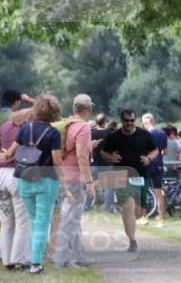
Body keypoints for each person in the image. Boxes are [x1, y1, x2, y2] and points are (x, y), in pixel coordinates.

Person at [10, 96, 64, 274]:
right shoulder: (53, 133)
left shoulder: (25, 128)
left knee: (34, 221)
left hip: (24, 179)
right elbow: (57, 160)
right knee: (41, 223)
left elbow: (11, 152)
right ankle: (36, 264)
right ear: (54, 112)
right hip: (46, 180)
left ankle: (33, 260)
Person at [100, 109, 157, 252]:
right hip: (121, 176)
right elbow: (103, 152)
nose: (130, 123)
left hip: (140, 176)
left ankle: (131, 227)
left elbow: (156, 150)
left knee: (138, 213)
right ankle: (132, 241)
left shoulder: (144, 135)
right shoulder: (114, 137)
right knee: (128, 206)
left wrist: (148, 158)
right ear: (122, 121)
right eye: (127, 120)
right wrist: (110, 158)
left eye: (132, 120)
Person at [52, 94, 95, 268]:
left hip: (60, 176)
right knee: (71, 220)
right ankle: (61, 260)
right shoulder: (83, 127)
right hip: (75, 178)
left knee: (70, 218)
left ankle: (79, 257)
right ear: (89, 109)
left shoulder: (65, 124)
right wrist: (89, 182)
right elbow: (82, 156)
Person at [0, 99, 33, 269]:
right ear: (23, 119)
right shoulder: (26, 130)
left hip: (0, 176)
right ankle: (20, 260)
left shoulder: (4, 127)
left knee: (6, 219)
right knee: (23, 220)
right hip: (17, 176)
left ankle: (7, 261)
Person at [139, 113, 167, 227]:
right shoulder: (162, 133)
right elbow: (165, 152)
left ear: (145, 123)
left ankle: (143, 217)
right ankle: (161, 220)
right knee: (159, 193)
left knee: (143, 192)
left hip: (146, 165)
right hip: (159, 165)